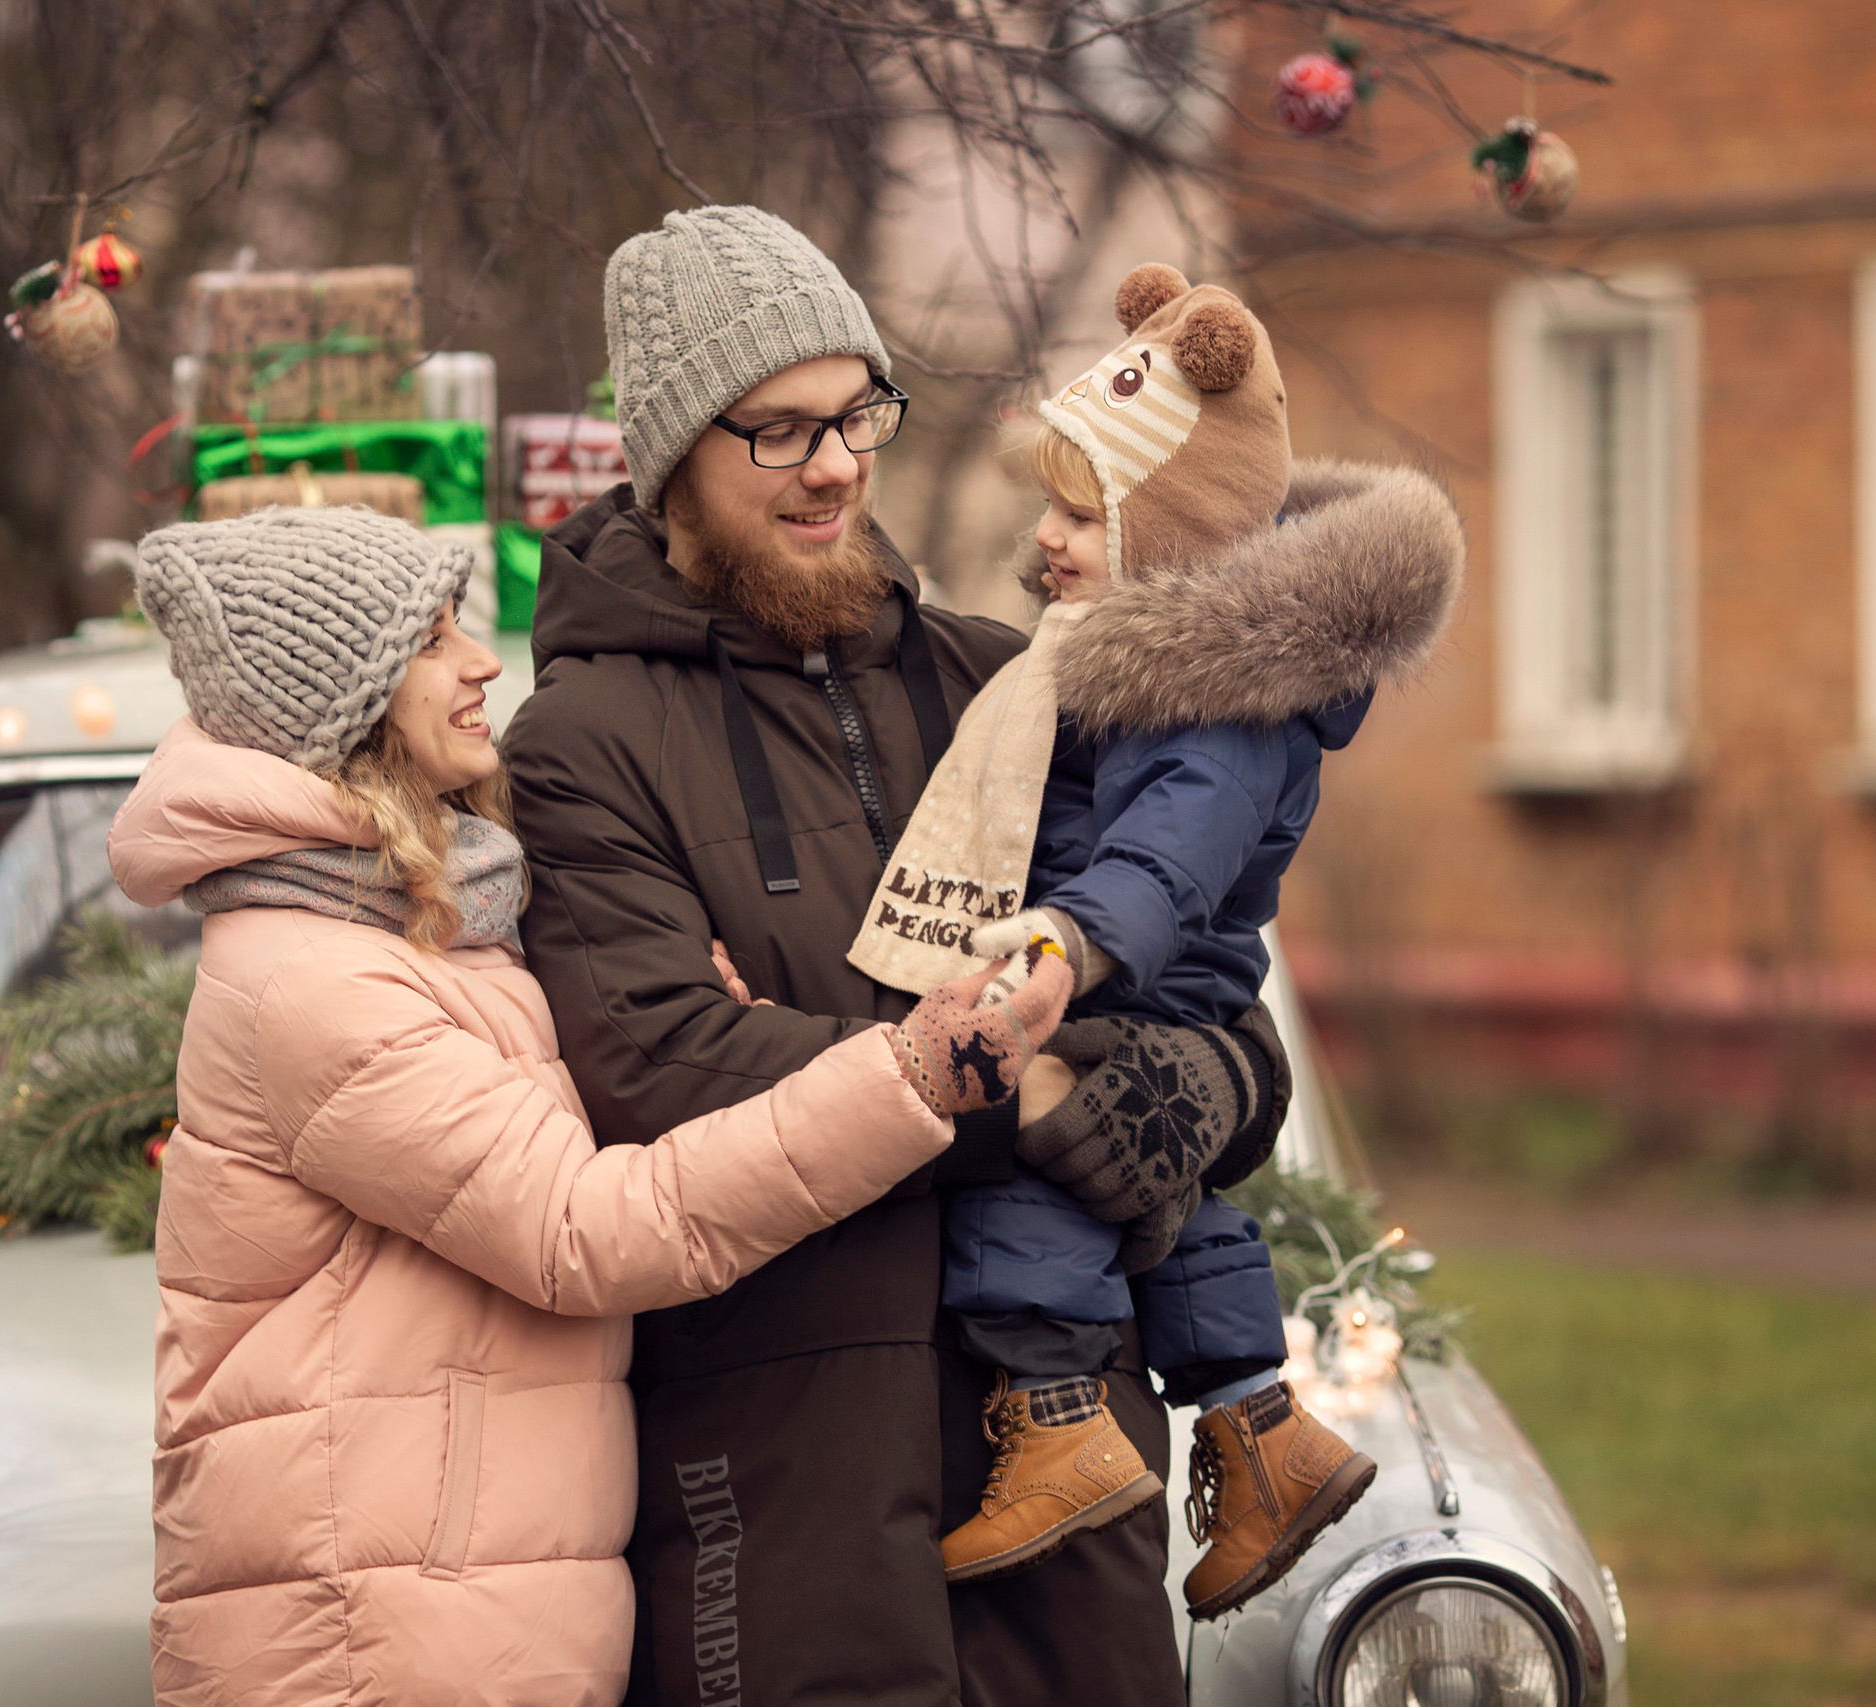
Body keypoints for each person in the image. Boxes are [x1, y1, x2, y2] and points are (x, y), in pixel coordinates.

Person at [106, 505, 1072, 1707]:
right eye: (430, 638)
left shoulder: (425, 927)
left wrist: (713, 1019)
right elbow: (580, 1229)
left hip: (449, 1591)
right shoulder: (312, 978)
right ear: (341, 710)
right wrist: (904, 1076)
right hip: (369, 1623)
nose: (479, 664)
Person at [502, 205, 1204, 1707]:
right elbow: (662, 1069)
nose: (834, 464)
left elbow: (1205, 991)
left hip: (1067, 1456)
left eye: (856, 415)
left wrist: (1194, 1084)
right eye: (777, 431)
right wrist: (1035, 1093)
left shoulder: (1008, 679)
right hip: (779, 1475)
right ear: (673, 453)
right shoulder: (583, 741)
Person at [840, 264, 1463, 1615]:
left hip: (1138, 973)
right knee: (1165, 1201)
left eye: (1081, 511)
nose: (1048, 537)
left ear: (1167, 533)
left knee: (1039, 1159)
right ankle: (1261, 1433)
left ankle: (1057, 1415)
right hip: (1142, 977)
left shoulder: (1222, 701)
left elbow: (1166, 857)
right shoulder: (1138, 664)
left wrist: (1068, 942)